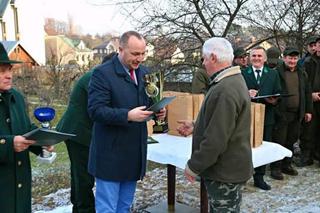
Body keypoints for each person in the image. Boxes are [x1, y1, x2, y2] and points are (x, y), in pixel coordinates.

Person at [87, 31, 165, 213]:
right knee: (107, 209)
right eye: (135, 54)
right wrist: (127, 116)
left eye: (143, 53)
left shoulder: (145, 73)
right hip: (110, 156)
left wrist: (156, 111)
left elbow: (145, 106)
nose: (140, 59)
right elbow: (96, 111)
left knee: (124, 207)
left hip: (133, 154)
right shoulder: (102, 74)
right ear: (120, 50)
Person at [177, 37, 253, 212]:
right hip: (227, 171)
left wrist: (194, 166)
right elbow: (223, 122)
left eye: (204, 58)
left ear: (212, 57)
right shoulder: (230, 81)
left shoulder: (225, 88)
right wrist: (197, 125)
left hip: (224, 173)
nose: (203, 63)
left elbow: (216, 140)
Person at [56, 52, 116, 213]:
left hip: (83, 132)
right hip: (77, 132)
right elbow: (104, 107)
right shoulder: (95, 78)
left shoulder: (99, 76)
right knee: (83, 177)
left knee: (80, 175)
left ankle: (80, 207)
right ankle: (84, 209)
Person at [0, 42, 53, 213]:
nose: (8, 76)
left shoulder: (16, 97)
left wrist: (42, 141)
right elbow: (11, 140)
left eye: (9, 70)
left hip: (20, 186)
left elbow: (25, 128)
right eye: (1, 71)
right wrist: (8, 144)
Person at [241, 46, 281, 190]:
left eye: (259, 56)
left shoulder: (272, 74)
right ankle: (242, 177)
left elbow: (278, 93)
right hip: (246, 117)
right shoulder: (242, 73)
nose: (257, 58)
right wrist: (246, 93)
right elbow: (234, 93)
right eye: (254, 56)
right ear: (249, 58)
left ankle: (259, 178)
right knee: (244, 147)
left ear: (265, 58)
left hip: (266, 116)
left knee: (263, 146)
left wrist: (274, 100)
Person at [270, 47, 312, 180]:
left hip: (297, 113)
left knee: (291, 140)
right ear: (284, 58)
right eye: (290, 58)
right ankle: (275, 168)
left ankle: (286, 165)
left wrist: (308, 110)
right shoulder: (276, 72)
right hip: (282, 113)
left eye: (295, 58)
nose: (292, 61)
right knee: (279, 141)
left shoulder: (302, 73)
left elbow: (307, 93)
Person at [303, 35, 320, 164]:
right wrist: (311, 95)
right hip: (312, 100)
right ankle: (307, 155)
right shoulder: (308, 62)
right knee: (309, 129)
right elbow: (304, 83)